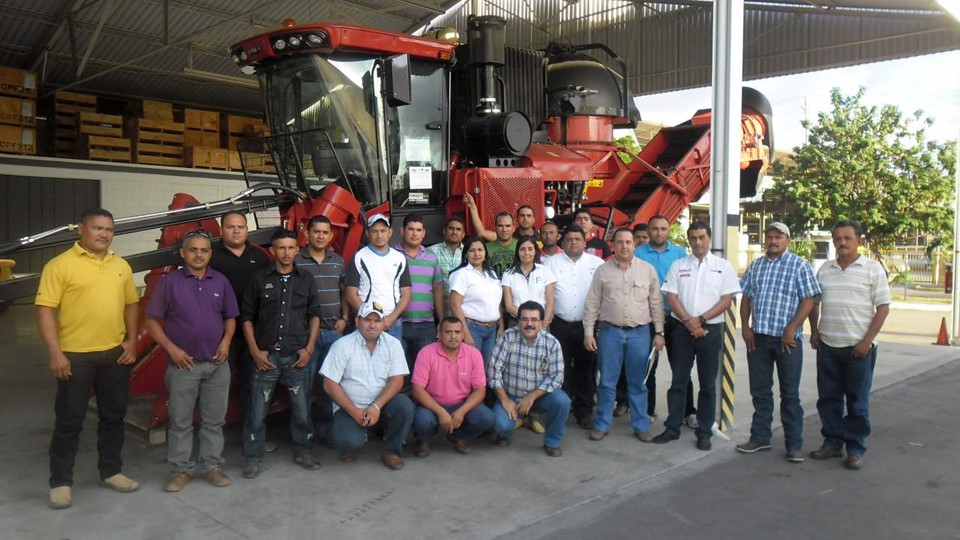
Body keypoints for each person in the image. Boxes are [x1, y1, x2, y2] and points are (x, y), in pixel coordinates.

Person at [37, 208, 141, 510]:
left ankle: (111, 471)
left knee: (114, 417)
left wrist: (132, 340)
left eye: (109, 230)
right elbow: (45, 310)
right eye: (97, 228)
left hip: (114, 356)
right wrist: (55, 353)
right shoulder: (60, 265)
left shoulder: (121, 265)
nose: (104, 234)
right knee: (69, 421)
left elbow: (132, 303)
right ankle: (60, 483)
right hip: (75, 356)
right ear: (81, 229)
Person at [145, 230, 237, 492]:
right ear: (183, 253)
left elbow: (230, 317)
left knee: (214, 420)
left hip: (217, 364)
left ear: (210, 254)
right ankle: (180, 470)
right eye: (193, 250)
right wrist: (171, 349)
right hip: (183, 365)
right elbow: (151, 321)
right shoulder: (170, 282)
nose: (199, 255)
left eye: (204, 250)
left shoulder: (220, 281)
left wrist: (226, 341)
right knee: (181, 421)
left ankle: (211, 466)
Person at [808, 220, 890, 470]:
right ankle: (832, 443)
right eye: (838, 238)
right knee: (828, 399)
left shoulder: (872, 269)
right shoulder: (825, 269)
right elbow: (814, 302)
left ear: (859, 241)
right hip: (828, 346)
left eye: (847, 238)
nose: (842, 243)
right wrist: (815, 331)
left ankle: (855, 449)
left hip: (858, 349)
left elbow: (883, 308)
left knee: (857, 401)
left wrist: (866, 341)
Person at [240, 229, 321, 479]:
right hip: (266, 357)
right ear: (272, 251)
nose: (286, 253)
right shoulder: (259, 279)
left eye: (291, 247)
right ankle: (253, 457)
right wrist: (254, 351)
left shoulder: (306, 279)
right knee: (256, 411)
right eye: (281, 248)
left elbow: (314, 315)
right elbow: (246, 316)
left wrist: (309, 348)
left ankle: (303, 451)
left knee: (302, 409)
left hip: (297, 355)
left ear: (297, 250)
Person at [651, 222, 741, 451]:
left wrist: (700, 320)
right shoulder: (679, 265)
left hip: (711, 331)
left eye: (702, 237)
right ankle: (672, 428)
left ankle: (704, 432)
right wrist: (689, 322)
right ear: (689, 240)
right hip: (682, 330)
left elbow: (726, 300)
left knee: (708, 384)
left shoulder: (723, 267)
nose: (697, 242)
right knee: (678, 381)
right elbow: (672, 297)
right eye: (693, 238)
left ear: (709, 238)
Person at [737, 222, 820, 463]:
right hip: (759, 339)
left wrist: (791, 328)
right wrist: (746, 327)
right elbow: (746, 297)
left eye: (778, 237)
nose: (773, 241)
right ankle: (760, 437)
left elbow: (809, 300)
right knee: (760, 391)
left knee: (790, 394)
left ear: (787, 240)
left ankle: (794, 444)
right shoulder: (756, 266)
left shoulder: (799, 265)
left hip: (788, 342)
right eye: (769, 236)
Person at [584, 228, 665, 442]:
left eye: (628, 242)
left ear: (634, 245)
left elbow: (656, 304)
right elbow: (592, 303)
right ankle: (602, 424)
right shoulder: (602, 271)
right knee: (606, 382)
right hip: (609, 332)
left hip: (640, 334)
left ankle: (641, 425)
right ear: (613, 245)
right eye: (620, 242)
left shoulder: (647, 270)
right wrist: (589, 332)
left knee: (637, 382)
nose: (624, 246)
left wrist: (659, 332)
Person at [321, 302, 415, 470]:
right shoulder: (342, 345)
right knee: (348, 443)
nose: (372, 325)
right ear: (357, 321)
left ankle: (392, 451)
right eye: (367, 320)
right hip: (351, 407)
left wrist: (376, 407)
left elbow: (397, 380)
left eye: (377, 321)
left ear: (383, 323)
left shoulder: (393, 344)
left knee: (405, 406)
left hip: (382, 405)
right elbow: (329, 384)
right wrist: (354, 411)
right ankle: (353, 440)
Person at [208, 211, 271, 449]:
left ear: (247, 229)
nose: (236, 231)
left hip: (254, 332)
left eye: (240, 227)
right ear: (221, 230)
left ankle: (252, 440)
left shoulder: (260, 257)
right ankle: (214, 444)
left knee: (252, 386)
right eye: (231, 227)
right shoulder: (211, 257)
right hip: (220, 333)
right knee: (217, 387)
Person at [488, 301, 571, 457]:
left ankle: (552, 442)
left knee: (562, 401)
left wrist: (531, 397)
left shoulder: (552, 343)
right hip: (511, 396)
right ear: (518, 321)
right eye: (524, 319)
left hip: (539, 398)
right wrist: (505, 400)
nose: (529, 324)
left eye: (534, 320)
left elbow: (556, 377)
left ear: (541, 322)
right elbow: (493, 370)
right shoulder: (507, 337)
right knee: (499, 425)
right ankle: (505, 433)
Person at [632, 215, 693, 423]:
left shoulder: (680, 254)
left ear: (668, 230)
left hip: (675, 318)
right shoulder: (637, 254)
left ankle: (688, 412)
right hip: (648, 320)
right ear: (648, 230)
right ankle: (647, 411)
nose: (659, 233)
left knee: (681, 367)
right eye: (655, 228)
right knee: (648, 367)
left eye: (663, 229)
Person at [295, 215, 350, 443]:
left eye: (325, 232)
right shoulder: (296, 260)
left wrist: (345, 318)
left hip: (333, 333)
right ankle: (304, 435)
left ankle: (327, 429)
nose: (320, 236)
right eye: (316, 231)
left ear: (331, 235)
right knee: (303, 387)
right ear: (306, 233)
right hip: (306, 336)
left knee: (331, 386)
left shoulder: (337, 261)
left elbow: (343, 291)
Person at [545, 225, 605, 430]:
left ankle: (584, 410)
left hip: (587, 326)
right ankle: (561, 409)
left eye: (577, 239)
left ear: (584, 242)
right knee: (559, 369)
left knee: (585, 369)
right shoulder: (550, 263)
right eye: (569, 239)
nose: (573, 243)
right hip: (559, 324)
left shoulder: (597, 264)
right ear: (562, 242)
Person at [411, 317, 495, 457]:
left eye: (457, 332)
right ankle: (423, 440)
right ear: (439, 334)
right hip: (432, 404)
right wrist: (440, 412)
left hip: (461, 404)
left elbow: (480, 391)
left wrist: (461, 411)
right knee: (422, 420)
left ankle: (459, 436)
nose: (453, 336)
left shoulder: (474, 354)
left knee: (486, 417)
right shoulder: (426, 353)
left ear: (463, 335)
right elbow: (417, 389)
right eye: (448, 332)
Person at [345, 213, 411, 341]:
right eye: (374, 231)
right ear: (367, 233)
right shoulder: (359, 257)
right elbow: (350, 294)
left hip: (393, 323)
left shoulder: (399, 258)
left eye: (383, 231)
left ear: (390, 232)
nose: (379, 235)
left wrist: (391, 318)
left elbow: (406, 294)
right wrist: (371, 318)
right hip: (366, 323)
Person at [395, 214, 444, 374]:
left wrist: (441, 320)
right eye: (411, 229)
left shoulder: (432, 258)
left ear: (424, 233)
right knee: (399, 374)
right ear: (402, 231)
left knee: (424, 373)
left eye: (418, 230)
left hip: (426, 325)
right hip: (398, 324)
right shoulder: (392, 256)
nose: (415, 233)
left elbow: (437, 290)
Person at [449, 237, 504, 366]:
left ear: (485, 253)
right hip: (472, 328)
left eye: (480, 250)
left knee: (487, 368)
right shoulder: (462, 274)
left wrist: (501, 326)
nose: (477, 253)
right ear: (466, 255)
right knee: (471, 367)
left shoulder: (491, 274)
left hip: (492, 329)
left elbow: (497, 302)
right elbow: (454, 305)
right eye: (472, 250)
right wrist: (465, 333)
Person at [501, 236, 556, 329]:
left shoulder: (545, 271)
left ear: (535, 251)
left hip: (541, 323)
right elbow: (509, 306)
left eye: (530, 249)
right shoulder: (508, 274)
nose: (526, 253)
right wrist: (528, 319)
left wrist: (544, 321)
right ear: (517, 252)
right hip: (516, 323)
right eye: (522, 249)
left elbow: (550, 300)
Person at [426, 216, 465, 316]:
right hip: (438, 311)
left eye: (458, 229)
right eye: (451, 228)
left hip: (463, 311)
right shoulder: (430, 252)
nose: (454, 232)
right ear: (444, 231)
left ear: (463, 234)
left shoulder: (469, 252)